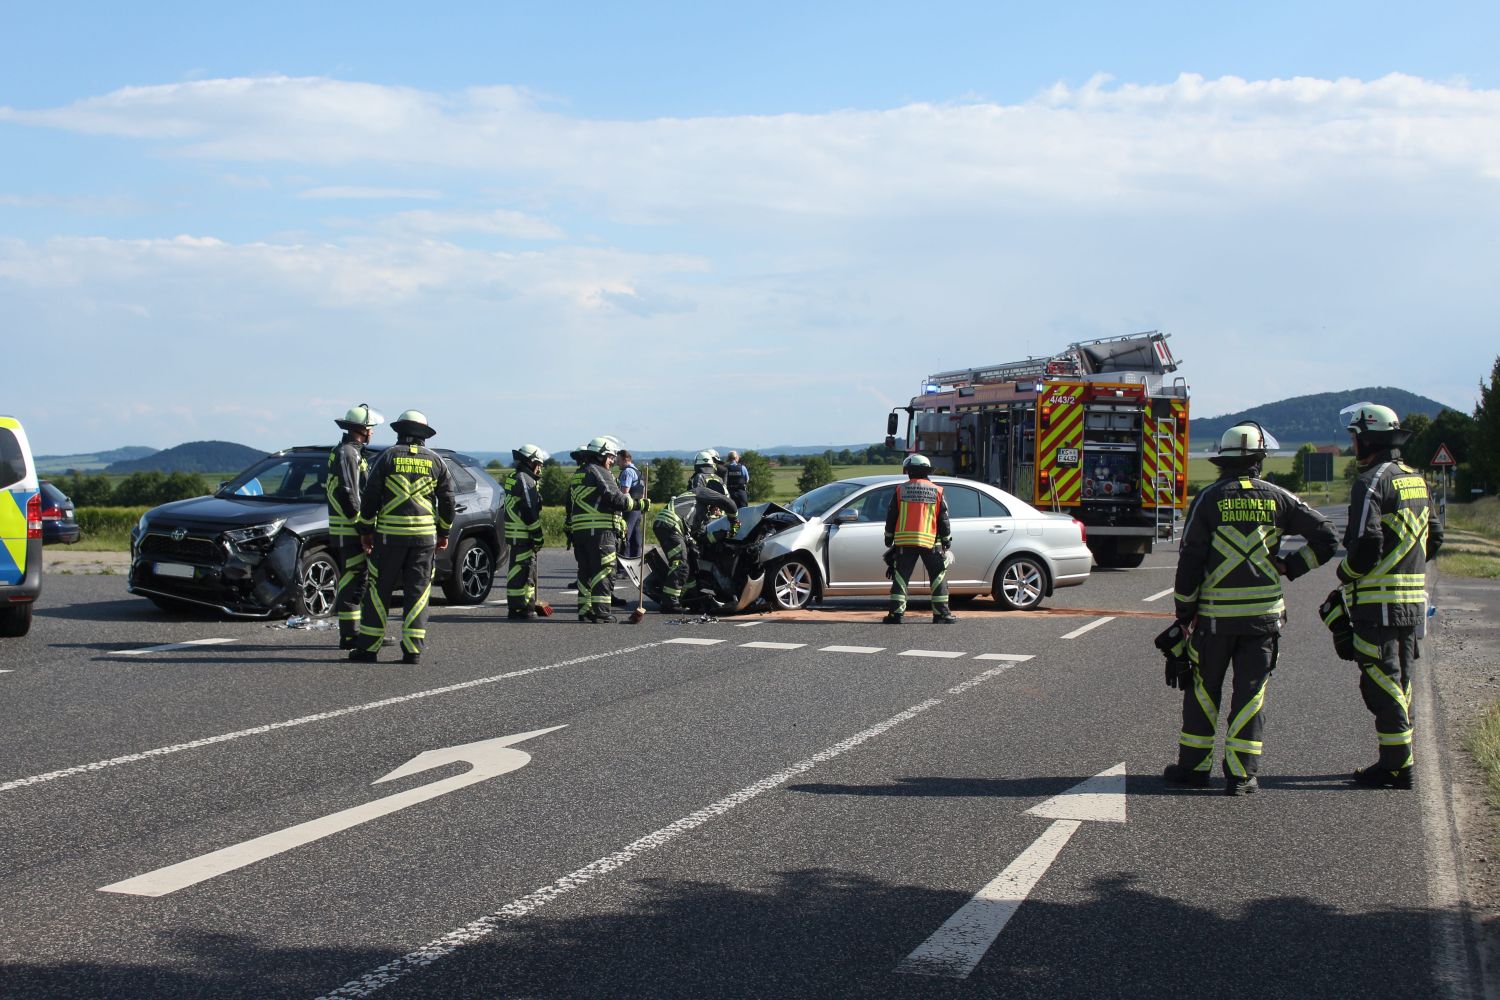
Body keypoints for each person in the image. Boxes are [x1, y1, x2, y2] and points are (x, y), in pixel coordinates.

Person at [1164, 422, 1339, 795]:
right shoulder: (1279, 498)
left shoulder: (1208, 499)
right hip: (1263, 620)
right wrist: (1292, 566)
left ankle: (1194, 769)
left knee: (1203, 690)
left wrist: (1184, 612)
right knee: (1251, 693)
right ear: (1259, 460)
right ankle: (1241, 775)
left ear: (1222, 461)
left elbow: (1190, 558)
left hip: (1214, 620)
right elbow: (1327, 536)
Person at [1338, 402, 1443, 789]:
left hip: (1377, 604)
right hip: (1413, 603)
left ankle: (1398, 766)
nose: (1353, 445)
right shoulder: (1417, 480)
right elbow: (1436, 536)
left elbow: (1365, 541)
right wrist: (1407, 570)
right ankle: (1397, 758)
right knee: (1401, 681)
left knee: (1381, 681)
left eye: (1355, 437)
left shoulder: (1370, 482)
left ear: (1368, 440)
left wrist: (1347, 573)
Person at [351, 410, 454, 664]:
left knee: (378, 590)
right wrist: (443, 532)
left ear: (399, 432)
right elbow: (448, 501)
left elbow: (370, 497)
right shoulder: (436, 461)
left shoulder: (386, 457)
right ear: (424, 435)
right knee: (418, 592)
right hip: (424, 540)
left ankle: (368, 648)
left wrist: (366, 530)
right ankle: (412, 650)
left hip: (389, 538)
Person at [566, 436, 646, 623]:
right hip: (600, 532)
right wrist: (639, 504)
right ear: (601, 455)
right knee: (604, 570)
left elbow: (569, 503)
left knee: (586, 571)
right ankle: (601, 612)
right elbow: (615, 499)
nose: (612, 461)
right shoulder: (600, 471)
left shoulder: (578, 474)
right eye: (610, 457)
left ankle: (585, 610)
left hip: (581, 532)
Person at [326, 403, 383, 650]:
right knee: (354, 579)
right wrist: (362, 526)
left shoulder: (350, 451)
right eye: (371, 427)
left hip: (348, 527)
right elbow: (348, 492)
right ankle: (350, 635)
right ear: (362, 429)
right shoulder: (348, 453)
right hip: (349, 529)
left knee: (359, 578)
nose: (373, 431)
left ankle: (358, 633)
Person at [883, 454, 956, 624]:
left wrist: (888, 538)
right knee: (938, 577)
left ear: (909, 471)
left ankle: (896, 614)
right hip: (931, 542)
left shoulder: (900, 490)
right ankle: (941, 614)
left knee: (901, 578)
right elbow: (943, 518)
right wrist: (946, 540)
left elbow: (892, 515)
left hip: (905, 542)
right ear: (926, 471)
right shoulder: (937, 490)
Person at [503, 444, 549, 620]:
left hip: (515, 533)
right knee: (524, 573)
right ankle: (523, 608)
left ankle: (519, 607)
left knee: (517, 571)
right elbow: (529, 509)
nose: (540, 469)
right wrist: (537, 535)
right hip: (523, 533)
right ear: (531, 462)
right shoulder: (525, 480)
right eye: (539, 464)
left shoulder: (514, 476)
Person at [617, 450, 644, 565]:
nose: (617, 463)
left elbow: (624, 491)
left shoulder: (627, 472)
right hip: (638, 507)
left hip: (629, 507)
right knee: (636, 537)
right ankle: (636, 563)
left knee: (625, 536)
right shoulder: (638, 471)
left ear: (625, 459)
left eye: (618, 460)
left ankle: (623, 567)